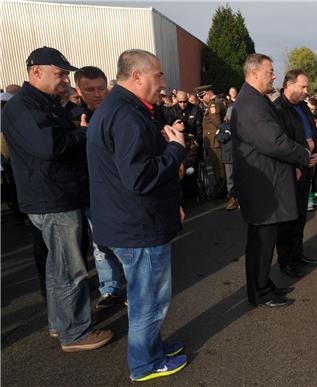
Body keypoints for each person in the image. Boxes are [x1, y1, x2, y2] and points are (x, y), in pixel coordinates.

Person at [1, 46, 113, 351]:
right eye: (60, 73)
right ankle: (75, 333)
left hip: (56, 194)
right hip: (52, 198)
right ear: (36, 71)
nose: (65, 79)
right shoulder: (24, 107)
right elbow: (49, 146)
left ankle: (58, 324)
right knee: (70, 270)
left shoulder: (41, 103)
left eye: (66, 74)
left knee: (56, 268)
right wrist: (83, 134)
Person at [87, 49, 188, 381]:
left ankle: (152, 348)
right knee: (148, 302)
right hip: (137, 226)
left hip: (132, 220)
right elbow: (140, 177)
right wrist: (175, 149)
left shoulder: (121, 108)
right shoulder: (126, 114)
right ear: (137, 77)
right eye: (158, 75)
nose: (163, 82)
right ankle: (145, 363)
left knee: (148, 299)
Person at [231, 53, 312, 307]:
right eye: (270, 72)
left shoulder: (256, 100)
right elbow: (273, 141)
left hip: (266, 182)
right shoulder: (250, 104)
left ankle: (263, 285)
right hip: (262, 187)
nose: (274, 76)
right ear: (254, 74)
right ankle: (260, 291)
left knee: (264, 242)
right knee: (261, 244)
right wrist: (302, 155)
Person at [74, 65, 126, 310]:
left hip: (113, 192)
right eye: (90, 89)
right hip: (86, 191)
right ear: (78, 90)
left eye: (101, 88)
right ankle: (110, 288)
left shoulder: (116, 112)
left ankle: (132, 288)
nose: (97, 94)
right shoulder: (71, 116)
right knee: (100, 246)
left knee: (124, 245)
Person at [273, 69, 317, 278]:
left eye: (307, 87)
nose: (306, 91)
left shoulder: (302, 106)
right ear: (288, 85)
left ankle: (298, 253)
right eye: (302, 87)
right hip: (290, 172)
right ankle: (286, 261)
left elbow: (314, 134)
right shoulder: (277, 109)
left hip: (307, 167)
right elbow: (281, 143)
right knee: (288, 220)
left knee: (301, 216)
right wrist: (305, 148)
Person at [200, 86, 227, 197]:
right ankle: (222, 188)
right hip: (213, 141)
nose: (201, 99)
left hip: (214, 141)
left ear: (207, 93)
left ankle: (221, 190)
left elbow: (217, 122)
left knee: (218, 167)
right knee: (218, 166)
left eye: (202, 96)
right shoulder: (216, 102)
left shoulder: (213, 104)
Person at [215, 105, 239, 210]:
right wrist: (228, 134)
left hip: (240, 157)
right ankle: (232, 198)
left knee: (240, 177)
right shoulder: (222, 126)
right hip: (228, 157)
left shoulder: (240, 125)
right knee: (230, 179)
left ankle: (241, 199)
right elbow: (219, 138)